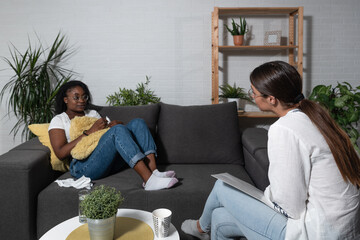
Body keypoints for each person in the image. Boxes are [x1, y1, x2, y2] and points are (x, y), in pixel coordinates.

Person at [181, 61, 360, 239]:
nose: (252, 96)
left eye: (254, 92)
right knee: (218, 218)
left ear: (272, 99)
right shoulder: (315, 117)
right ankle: (204, 229)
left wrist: (262, 197)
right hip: (341, 227)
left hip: (317, 231)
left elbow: (291, 206)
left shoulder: (285, 128)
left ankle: (200, 228)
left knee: (222, 186)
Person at [49, 80, 178, 191]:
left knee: (138, 123)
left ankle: (153, 172)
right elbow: (60, 153)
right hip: (83, 167)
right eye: (76, 97)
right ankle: (149, 181)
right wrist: (89, 132)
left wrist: (114, 125)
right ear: (65, 99)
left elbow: (108, 135)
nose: (82, 101)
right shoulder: (59, 120)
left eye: (84, 97)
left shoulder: (92, 113)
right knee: (117, 131)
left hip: (106, 160)